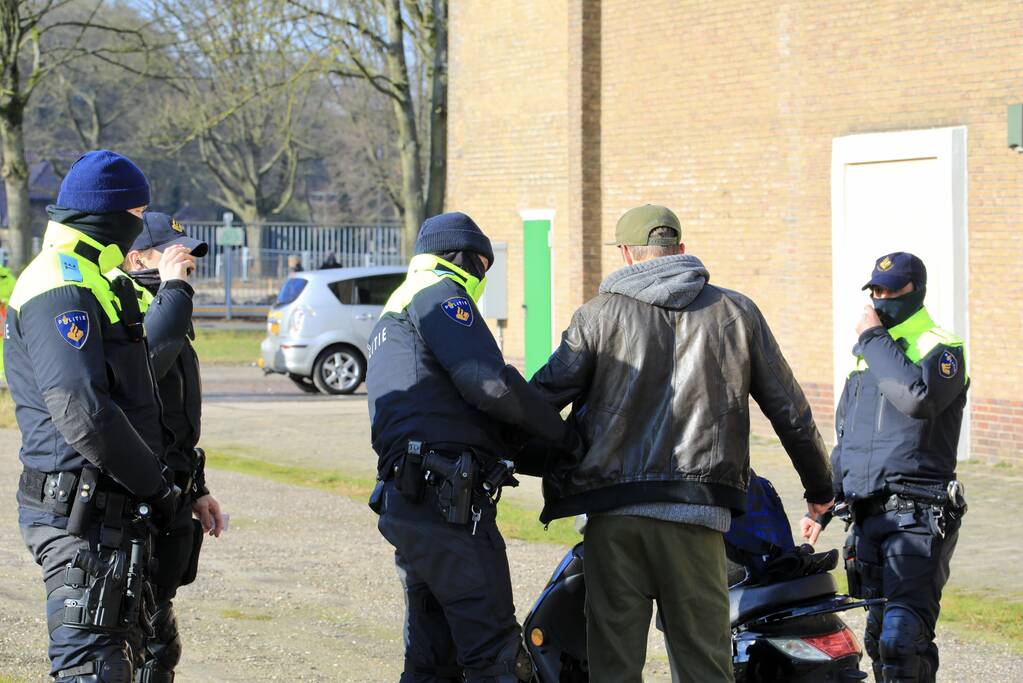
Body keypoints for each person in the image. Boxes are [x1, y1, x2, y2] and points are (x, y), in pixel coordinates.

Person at [528, 204, 834, 683]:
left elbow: (539, 401)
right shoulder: (735, 313)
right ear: (682, 251)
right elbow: (791, 412)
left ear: (627, 255)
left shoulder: (596, 316)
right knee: (705, 667)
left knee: (612, 667)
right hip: (698, 517)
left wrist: (504, 455)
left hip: (615, 518)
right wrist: (819, 489)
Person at [365, 212, 579, 683]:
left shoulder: (394, 314)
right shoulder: (439, 293)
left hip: (412, 501)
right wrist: (567, 436)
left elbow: (467, 422)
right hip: (445, 506)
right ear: (463, 258)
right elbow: (490, 386)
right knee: (496, 656)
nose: (486, 274)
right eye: (484, 263)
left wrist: (556, 457)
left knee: (432, 658)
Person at [5, 150, 179, 682]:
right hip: (79, 518)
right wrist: (158, 489)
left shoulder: (103, 279)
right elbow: (82, 410)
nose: (139, 225)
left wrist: (183, 488)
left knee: (151, 661)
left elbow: (144, 401)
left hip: (119, 516)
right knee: (93, 672)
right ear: (107, 214)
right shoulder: (59, 281)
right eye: (136, 213)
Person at [802, 252, 968, 683]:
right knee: (878, 641)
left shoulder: (940, 345)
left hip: (917, 515)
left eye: (892, 290)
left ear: (918, 292)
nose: (881, 298)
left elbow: (917, 400)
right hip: (868, 517)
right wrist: (823, 502)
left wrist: (874, 337)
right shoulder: (867, 358)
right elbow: (849, 437)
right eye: (875, 290)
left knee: (902, 640)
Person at [117, 212, 226, 682]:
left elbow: (175, 418)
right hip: (135, 500)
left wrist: (197, 485)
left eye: (190, 251)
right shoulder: (127, 307)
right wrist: (173, 293)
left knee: (161, 642)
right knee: (133, 644)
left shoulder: (170, 306)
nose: (187, 259)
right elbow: (143, 376)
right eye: (173, 250)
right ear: (137, 257)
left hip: (174, 493)